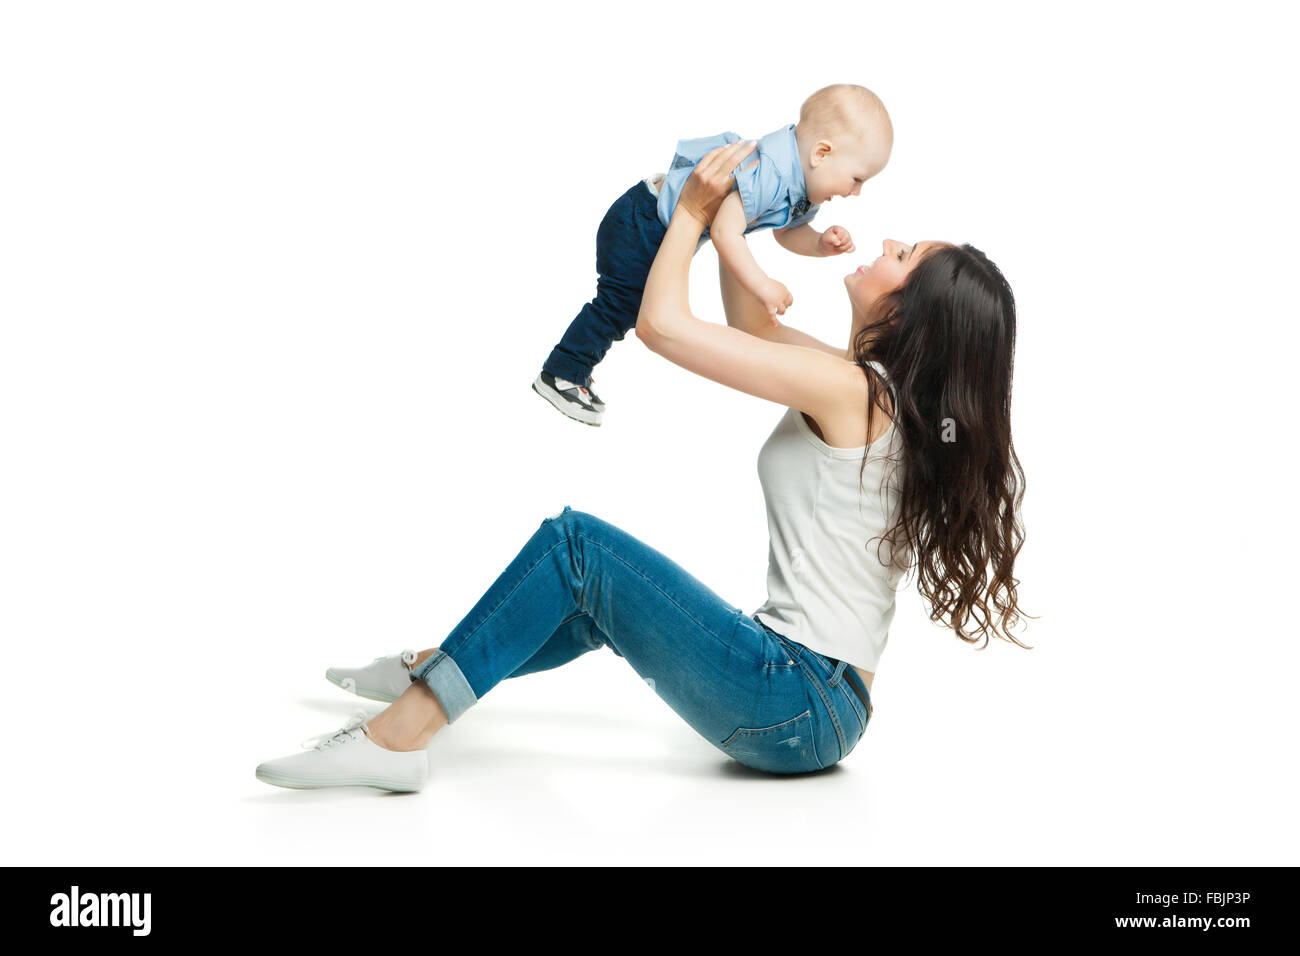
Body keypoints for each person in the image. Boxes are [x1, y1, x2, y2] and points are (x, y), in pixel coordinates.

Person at [255, 139, 1031, 792]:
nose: (887, 241)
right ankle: (437, 670)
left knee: (577, 547)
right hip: (818, 707)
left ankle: (400, 739)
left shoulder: (852, 389)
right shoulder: (867, 392)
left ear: (908, 312)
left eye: (905, 255)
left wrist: (692, 213)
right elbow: (748, 322)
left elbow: (662, 327)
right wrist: (752, 208)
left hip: (796, 694)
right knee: (591, 598)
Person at [531, 83, 892, 426]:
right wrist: (762, 285)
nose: (855, 192)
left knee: (626, 306)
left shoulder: (801, 189)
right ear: (821, 153)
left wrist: (817, 244)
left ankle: (575, 369)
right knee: (619, 305)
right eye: (857, 179)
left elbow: (788, 232)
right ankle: (563, 372)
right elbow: (725, 231)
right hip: (641, 223)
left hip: (658, 228)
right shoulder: (771, 173)